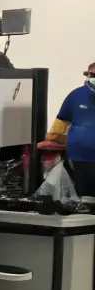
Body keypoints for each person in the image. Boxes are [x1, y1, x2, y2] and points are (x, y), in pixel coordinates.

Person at [46, 61, 95, 197]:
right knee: (84, 196)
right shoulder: (75, 96)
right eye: (92, 75)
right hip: (80, 158)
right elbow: (55, 133)